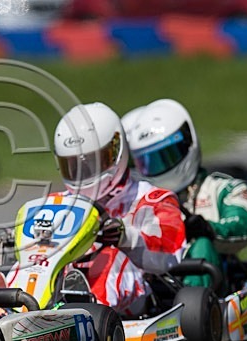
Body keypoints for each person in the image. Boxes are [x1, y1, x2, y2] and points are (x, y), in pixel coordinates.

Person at [53, 102, 186, 316]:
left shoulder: (152, 198)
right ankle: (14, 310)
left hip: (141, 286)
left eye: (93, 162)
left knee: (109, 258)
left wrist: (126, 237)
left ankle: (87, 313)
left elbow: (170, 251)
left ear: (116, 150)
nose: (84, 172)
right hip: (66, 274)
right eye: (74, 165)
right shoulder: (60, 203)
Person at [127, 98, 247, 289]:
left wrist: (208, 229)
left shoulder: (223, 189)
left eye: (167, 157)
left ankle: (196, 300)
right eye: (150, 161)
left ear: (187, 143)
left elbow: (244, 225)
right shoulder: (140, 200)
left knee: (201, 244)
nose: (160, 167)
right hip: (152, 280)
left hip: (212, 285)